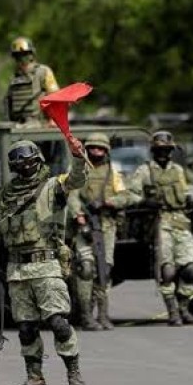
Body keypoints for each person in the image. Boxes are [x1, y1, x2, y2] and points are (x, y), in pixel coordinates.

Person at [0, 136, 88, 385]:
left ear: (38, 159)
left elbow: (76, 180)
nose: (25, 165)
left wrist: (78, 157)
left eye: (29, 159)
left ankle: (74, 372)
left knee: (58, 323)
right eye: (19, 161)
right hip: (17, 271)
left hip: (46, 265)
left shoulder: (52, 186)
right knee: (26, 329)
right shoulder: (7, 194)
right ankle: (35, 380)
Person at [129, 131, 193, 326]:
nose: (163, 153)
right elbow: (130, 194)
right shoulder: (144, 171)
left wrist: (189, 198)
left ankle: (184, 308)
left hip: (180, 219)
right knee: (167, 270)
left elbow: (186, 190)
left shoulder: (178, 170)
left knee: (190, 269)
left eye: (167, 150)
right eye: (159, 150)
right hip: (159, 221)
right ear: (153, 151)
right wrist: (145, 201)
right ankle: (173, 312)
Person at [69, 132, 138, 331]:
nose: (96, 152)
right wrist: (78, 215)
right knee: (86, 269)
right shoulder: (79, 170)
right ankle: (85, 316)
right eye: (93, 148)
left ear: (106, 151)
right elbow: (71, 193)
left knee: (103, 271)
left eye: (101, 149)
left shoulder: (113, 173)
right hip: (85, 226)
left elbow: (126, 196)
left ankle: (103, 314)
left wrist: (110, 202)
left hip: (107, 226)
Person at [3, 37, 60, 124]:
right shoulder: (15, 78)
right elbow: (9, 102)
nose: (22, 59)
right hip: (18, 124)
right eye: (18, 56)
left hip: (39, 123)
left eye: (25, 54)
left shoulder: (43, 72)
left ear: (31, 55)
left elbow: (55, 97)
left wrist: (53, 119)